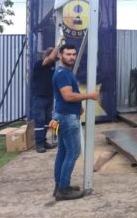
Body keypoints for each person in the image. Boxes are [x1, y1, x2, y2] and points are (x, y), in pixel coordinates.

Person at [50, 44, 99, 201]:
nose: (71, 57)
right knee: (73, 152)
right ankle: (63, 189)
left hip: (63, 115)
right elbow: (68, 96)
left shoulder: (62, 72)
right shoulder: (63, 74)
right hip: (67, 118)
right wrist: (90, 95)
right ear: (60, 55)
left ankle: (60, 186)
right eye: (68, 54)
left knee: (63, 152)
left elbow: (67, 97)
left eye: (73, 54)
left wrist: (78, 107)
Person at [30, 37, 64, 153]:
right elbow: (51, 57)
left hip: (49, 97)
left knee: (47, 120)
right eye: (54, 56)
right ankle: (39, 144)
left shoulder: (52, 66)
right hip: (39, 97)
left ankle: (43, 141)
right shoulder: (40, 63)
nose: (55, 59)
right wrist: (59, 43)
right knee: (39, 120)